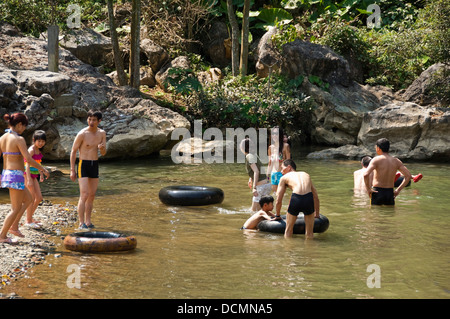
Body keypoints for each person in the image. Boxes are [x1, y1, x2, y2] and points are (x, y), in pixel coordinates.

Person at [0, 113, 49, 244]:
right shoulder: (19, 139)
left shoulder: (3, 137)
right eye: (24, 127)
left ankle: (14, 227)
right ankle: (2, 235)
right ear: (20, 125)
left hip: (7, 173)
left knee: (29, 199)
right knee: (15, 208)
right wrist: (42, 169)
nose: (24, 130)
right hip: (16, 175)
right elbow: (28, 158)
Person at [70, 110, 107, 229]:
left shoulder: (102, 133)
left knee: (92, 195)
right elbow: (73, 151)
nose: (91, 122)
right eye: (89, 119)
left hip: (94, 164)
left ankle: (88, 221)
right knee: (84, 194)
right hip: (83, 164)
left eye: (94, 120)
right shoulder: (82, 133)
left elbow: (104, 152)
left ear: (99, 121)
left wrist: (101, 149)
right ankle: (81, 223)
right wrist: (72, 170)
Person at [274, 159, 320, 239]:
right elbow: (315, 196)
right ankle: (311, 251)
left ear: (289, 167)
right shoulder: (306, 174)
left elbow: (278, 199)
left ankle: (287, 250)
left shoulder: (284, 177)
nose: (281, 171)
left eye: (282, 168)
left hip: (296, 198)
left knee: (288, 231)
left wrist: (277, 215)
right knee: (309, 233)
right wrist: (317, 214)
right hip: (308, 199)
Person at [363, 138, 412, 205]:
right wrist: (398, 190)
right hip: (390, 192)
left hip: (377, 192)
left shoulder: (376, 160)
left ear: (378, 148)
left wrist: (368, 189)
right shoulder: (396, 161)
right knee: (390, 214)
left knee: (375, 213)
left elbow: (365, 174)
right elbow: (408, 176)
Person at [240, 137, 271, 211]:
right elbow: (258, 168)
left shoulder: (249, 156)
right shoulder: (254, 155)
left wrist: (254, 188)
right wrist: (251, 178)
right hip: (267, 184)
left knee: (253, 211)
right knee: (263, 210)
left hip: (260, 187)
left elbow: (256, 171)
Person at [24, 130, 47, 229]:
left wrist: (41, 174)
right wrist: (28, 178)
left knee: (39, 198)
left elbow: (38, 164)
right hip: (27, 175)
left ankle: (29, 218)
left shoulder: (38, 150)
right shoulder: (31, 149)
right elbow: (27, 164)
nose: (41, 143)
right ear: (34, 140)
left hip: (35, 175)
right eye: (39, 141)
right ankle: (28, 221)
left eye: (43, 141)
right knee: (31, 198)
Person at [267, 126, 291, 193]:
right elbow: (270, 163)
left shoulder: (286, 146)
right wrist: (267, 176)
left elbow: (289, 162)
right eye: (273, 133)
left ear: (280, 135)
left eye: (276, 133)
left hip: (282, 174)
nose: (274, 135)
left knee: (281, 195)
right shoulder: (270, 148)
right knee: (275, 195)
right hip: (273, 174)